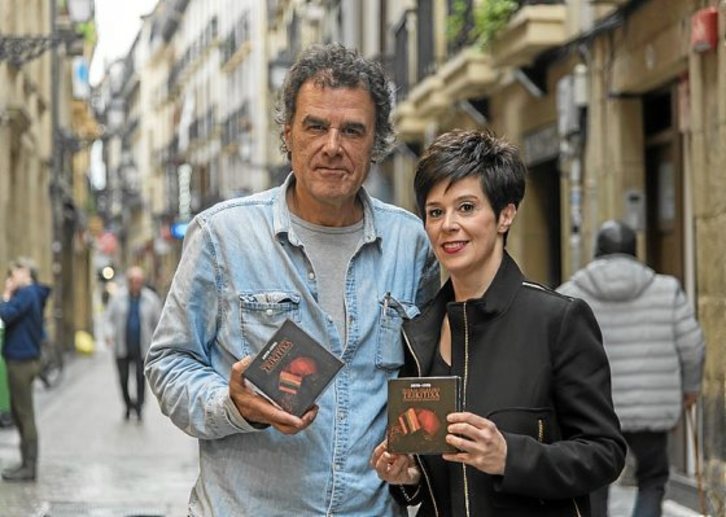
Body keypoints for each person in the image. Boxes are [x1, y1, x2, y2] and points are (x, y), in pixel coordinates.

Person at [144, 43, 440, 515]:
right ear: (288, 133)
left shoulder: (411, 244)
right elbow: (168, 362)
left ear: (376, 142)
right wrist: (231, 405)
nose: (333, 146)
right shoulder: (222, 235)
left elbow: (425, 374)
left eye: (352, 130)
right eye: (315, 126)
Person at [371, 129, 626, 516]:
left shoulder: (558, 320)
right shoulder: (417, 334)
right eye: (435, 212)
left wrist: (510, 457)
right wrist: (409, 478)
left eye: (466, 207)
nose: (448, 224)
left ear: (505, 214)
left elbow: (605, 453)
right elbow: (432, 479)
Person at [557, 220, 706, 517]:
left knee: (593, 481)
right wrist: (690, 389)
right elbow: (693, 347)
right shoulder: (666, 290)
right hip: (649, 409)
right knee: (652, 478)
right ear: (634, 250)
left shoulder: (569, 293)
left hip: (592, 409)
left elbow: (553, 351)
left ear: (597, 250)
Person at [0, 257, 51, 481]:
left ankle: (29, 466)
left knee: (24, 414)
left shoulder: (26, 294)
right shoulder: (33, 294)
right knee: (20, 412)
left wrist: (6, 294)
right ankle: (26, 463)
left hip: (21, 361)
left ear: (26, 273)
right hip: (25, 357)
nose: (10, 279)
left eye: (13, 274)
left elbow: (6, 314)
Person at [105, 266, 162, 421]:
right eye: (133, 281)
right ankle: (128, 405)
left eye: (139, 281)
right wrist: (109, 335)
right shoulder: (117, 298)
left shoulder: (151, 299)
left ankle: (139, 408)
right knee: (123, 379)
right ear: (128, 282)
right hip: (122, 346)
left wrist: (157, 343)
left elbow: (159, 323)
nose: (136, 284)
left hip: (142, 347)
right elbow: (108, 319)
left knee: (140, 379)